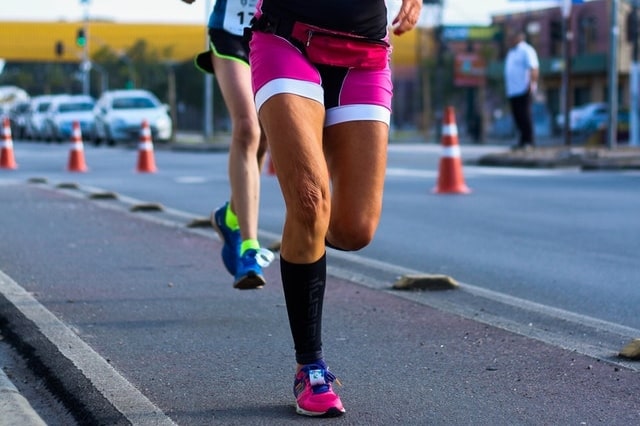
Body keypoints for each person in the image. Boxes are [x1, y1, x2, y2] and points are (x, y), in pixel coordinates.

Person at [247, 0, 422, 417]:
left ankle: (303, 240)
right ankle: (310, 366)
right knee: (309, 203)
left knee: (353, 228)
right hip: (286, 38)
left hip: (364, 54)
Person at [181, 0, 270, 290]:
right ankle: (249, 248)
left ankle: (230, 215)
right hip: (231, 31)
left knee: (264, 133)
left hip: (277, 32)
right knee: (247, 127)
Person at [504, 31, 539, 150]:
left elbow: (533, 67)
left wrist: (532, 84)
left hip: (523, 89)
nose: (510, 40)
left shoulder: (527, 50)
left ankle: (529, 141)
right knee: (517, 116)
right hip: (512, 90)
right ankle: (522, 141)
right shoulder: (511, 52)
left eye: (512, 37)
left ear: (519, 37)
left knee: (525, 115)